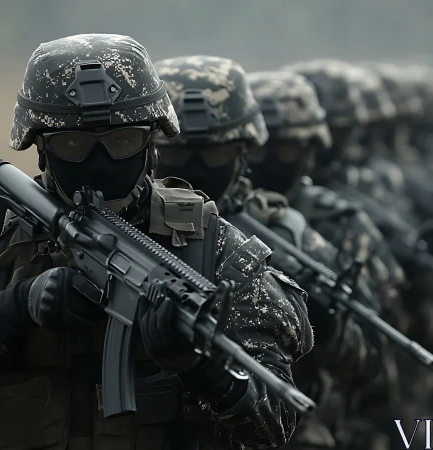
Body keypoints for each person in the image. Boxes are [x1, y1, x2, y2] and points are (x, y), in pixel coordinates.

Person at [0, 34, 313, 450]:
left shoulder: (211, 247)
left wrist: (203, 367)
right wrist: (13, 308)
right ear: (40, 148)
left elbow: (275, 420)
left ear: (151, 144)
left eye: (122, 141)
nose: (100, 162)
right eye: (74, 144)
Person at [152, 55, 386, 450]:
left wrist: (329, 328)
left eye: (215, 154)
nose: (195, 168)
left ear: (243, 152)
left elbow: (373, 366)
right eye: (177, 152)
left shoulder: (294, 237)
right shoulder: (128, 233)